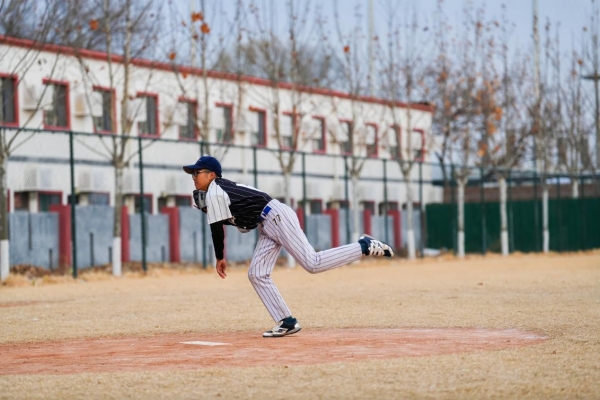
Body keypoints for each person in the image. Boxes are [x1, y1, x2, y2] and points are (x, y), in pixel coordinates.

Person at [183, 156, 394, 338]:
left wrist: (220, 257)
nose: (193, 176)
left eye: (197, 172)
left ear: (211, 175)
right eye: (192, 173)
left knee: (313, 263)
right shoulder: (219, 191)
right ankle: (287, 321)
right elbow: (241, 220)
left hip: (277, 217)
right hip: (267, 223)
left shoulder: (216, 192)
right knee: (257, 274)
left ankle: (363, 246)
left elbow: (216, 229)